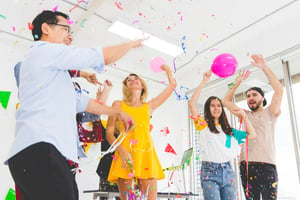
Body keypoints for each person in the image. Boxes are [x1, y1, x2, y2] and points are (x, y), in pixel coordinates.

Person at [6, 10, 143, 200]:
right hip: (41, 150)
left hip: (40, 155)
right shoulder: (43, 50)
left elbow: (83, 103)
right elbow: (98, 56)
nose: (69, 35)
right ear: (46, 28)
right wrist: (130, 43)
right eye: (65, 28)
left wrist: (115, 111)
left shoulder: (55, 75)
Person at [106, 64, 177, 200]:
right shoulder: (117, 105)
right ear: (126, 86)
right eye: (129, 79)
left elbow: (172, 85)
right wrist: (122, 151)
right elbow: (109, 133)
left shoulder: (149, 106)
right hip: (125, 155)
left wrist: (167, 69)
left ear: (142, 86)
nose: (132, 80)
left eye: (136, 78)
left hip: (146, 156)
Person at [222, 54, 283, 200]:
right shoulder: (244, 114)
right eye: (248, 96)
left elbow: (279, 90)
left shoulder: (271, 112)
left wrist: (264, 67)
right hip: (246, 167)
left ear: (262, 98)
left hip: (267, 166)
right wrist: (236, 82)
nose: (250, 98)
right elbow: (226, 100)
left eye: (254, 95)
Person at [189, 70, 256, 200]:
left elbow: (252, 134)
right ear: (208, 109)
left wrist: (244, 117)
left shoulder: (229, 131)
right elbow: (192, 103)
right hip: (210, 172)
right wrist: (204, 81)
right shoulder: (203, 125)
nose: (216, 108)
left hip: (228, 171)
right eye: (212, 106)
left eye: (219, 105)